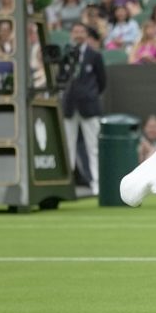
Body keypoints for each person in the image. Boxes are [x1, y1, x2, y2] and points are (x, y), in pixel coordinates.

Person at [62, 23, 107, 194]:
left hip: (89, 106)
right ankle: (68, 184)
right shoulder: (66, 54)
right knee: (68, 147)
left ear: (86, 35)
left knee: (93, 146)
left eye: (81, 31)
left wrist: (90, 95)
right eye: (75, 31)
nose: (78, 34)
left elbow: (102, 82)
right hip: (69, 106)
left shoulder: (95, 55)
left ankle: (97, 184)